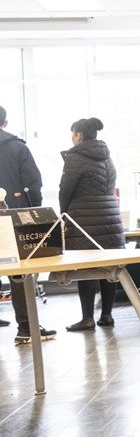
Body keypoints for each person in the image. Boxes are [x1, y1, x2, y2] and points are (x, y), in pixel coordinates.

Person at [59, 118, 126, 332]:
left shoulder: (75, 157)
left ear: (78, 134)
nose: (71, 137)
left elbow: (65, 190)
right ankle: (107, 315)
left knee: (85, 266)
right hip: (110, 218)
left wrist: (64, 213)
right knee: (108, 267)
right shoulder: (107, 157)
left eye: (73, 133)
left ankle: (87, 317)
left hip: (84, 219)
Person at [0, 105, 57, 345]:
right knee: (19, 273)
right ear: (5, 121)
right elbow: (34, 184)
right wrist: (34, 213)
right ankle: (25, 327)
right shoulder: (17, 148)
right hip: (12, 218)